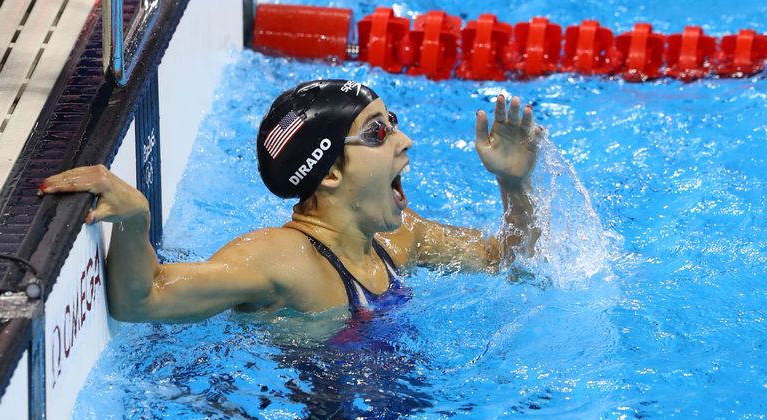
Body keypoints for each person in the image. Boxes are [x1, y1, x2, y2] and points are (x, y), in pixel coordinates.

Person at [39, 79, 541, 324]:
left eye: (393, 121)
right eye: (377, 132)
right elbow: (141, 299)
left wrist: (514, 184)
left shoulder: (400, 233)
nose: (404, 140)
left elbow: (511, 262)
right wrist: (135, 218)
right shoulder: (280, 259)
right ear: (331, 173)